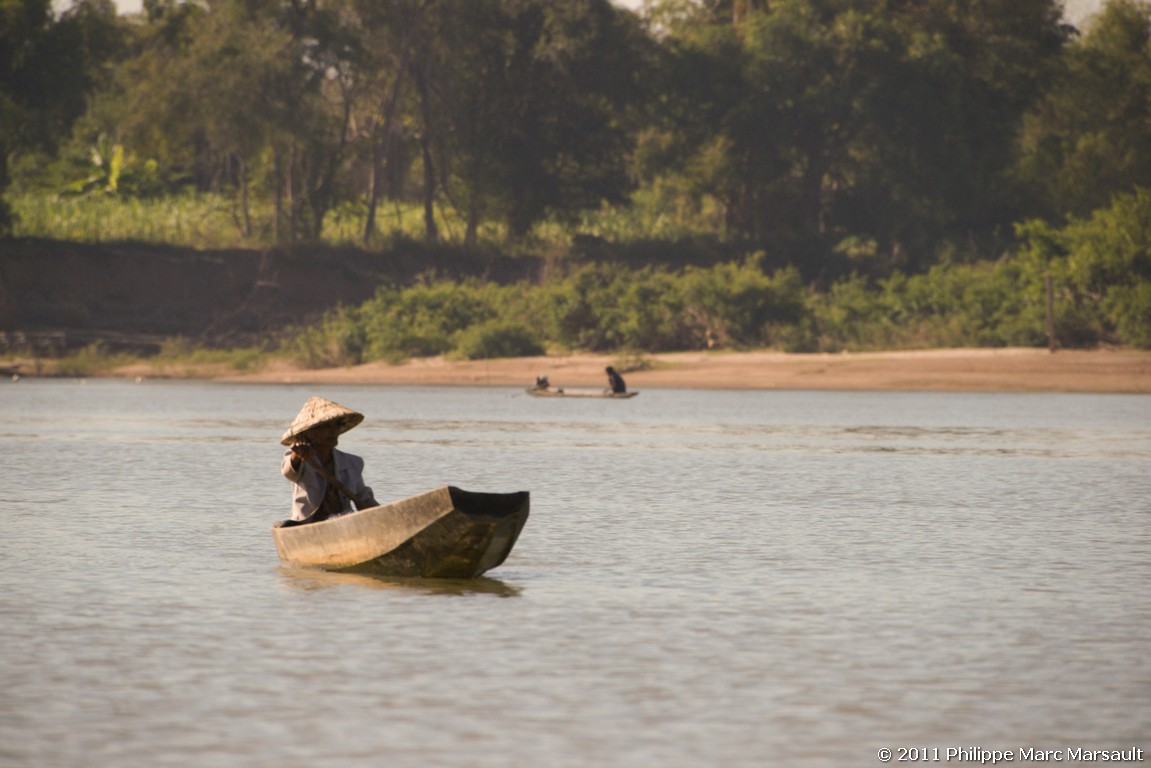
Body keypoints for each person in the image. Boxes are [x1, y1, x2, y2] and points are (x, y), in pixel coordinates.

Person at [279, 396, 378, 524]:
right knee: (286, 525)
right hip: (307, 524)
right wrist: (296, 456)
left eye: (336, 426)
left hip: (343, 523)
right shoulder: (301, 459)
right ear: (310, 432)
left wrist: (384, 515)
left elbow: (364, 498)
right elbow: (288, 471)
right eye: (326, 427)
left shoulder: (352, 463)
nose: (333, 432)